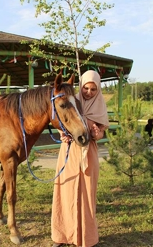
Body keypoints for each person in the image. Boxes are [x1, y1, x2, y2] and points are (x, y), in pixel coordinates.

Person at [51, 70, 109, 247]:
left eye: (93, 89)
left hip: (88, 155)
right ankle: (61, 236)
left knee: (86, 196)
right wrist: (63, 134)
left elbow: (101, 132)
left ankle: (86, 238)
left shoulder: (100, 107)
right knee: (64, 192)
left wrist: (98, 133)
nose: (89, 93)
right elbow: (61, 120)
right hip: (69, 153)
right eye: (86, 88)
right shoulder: (71, 100)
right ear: (81, 86)